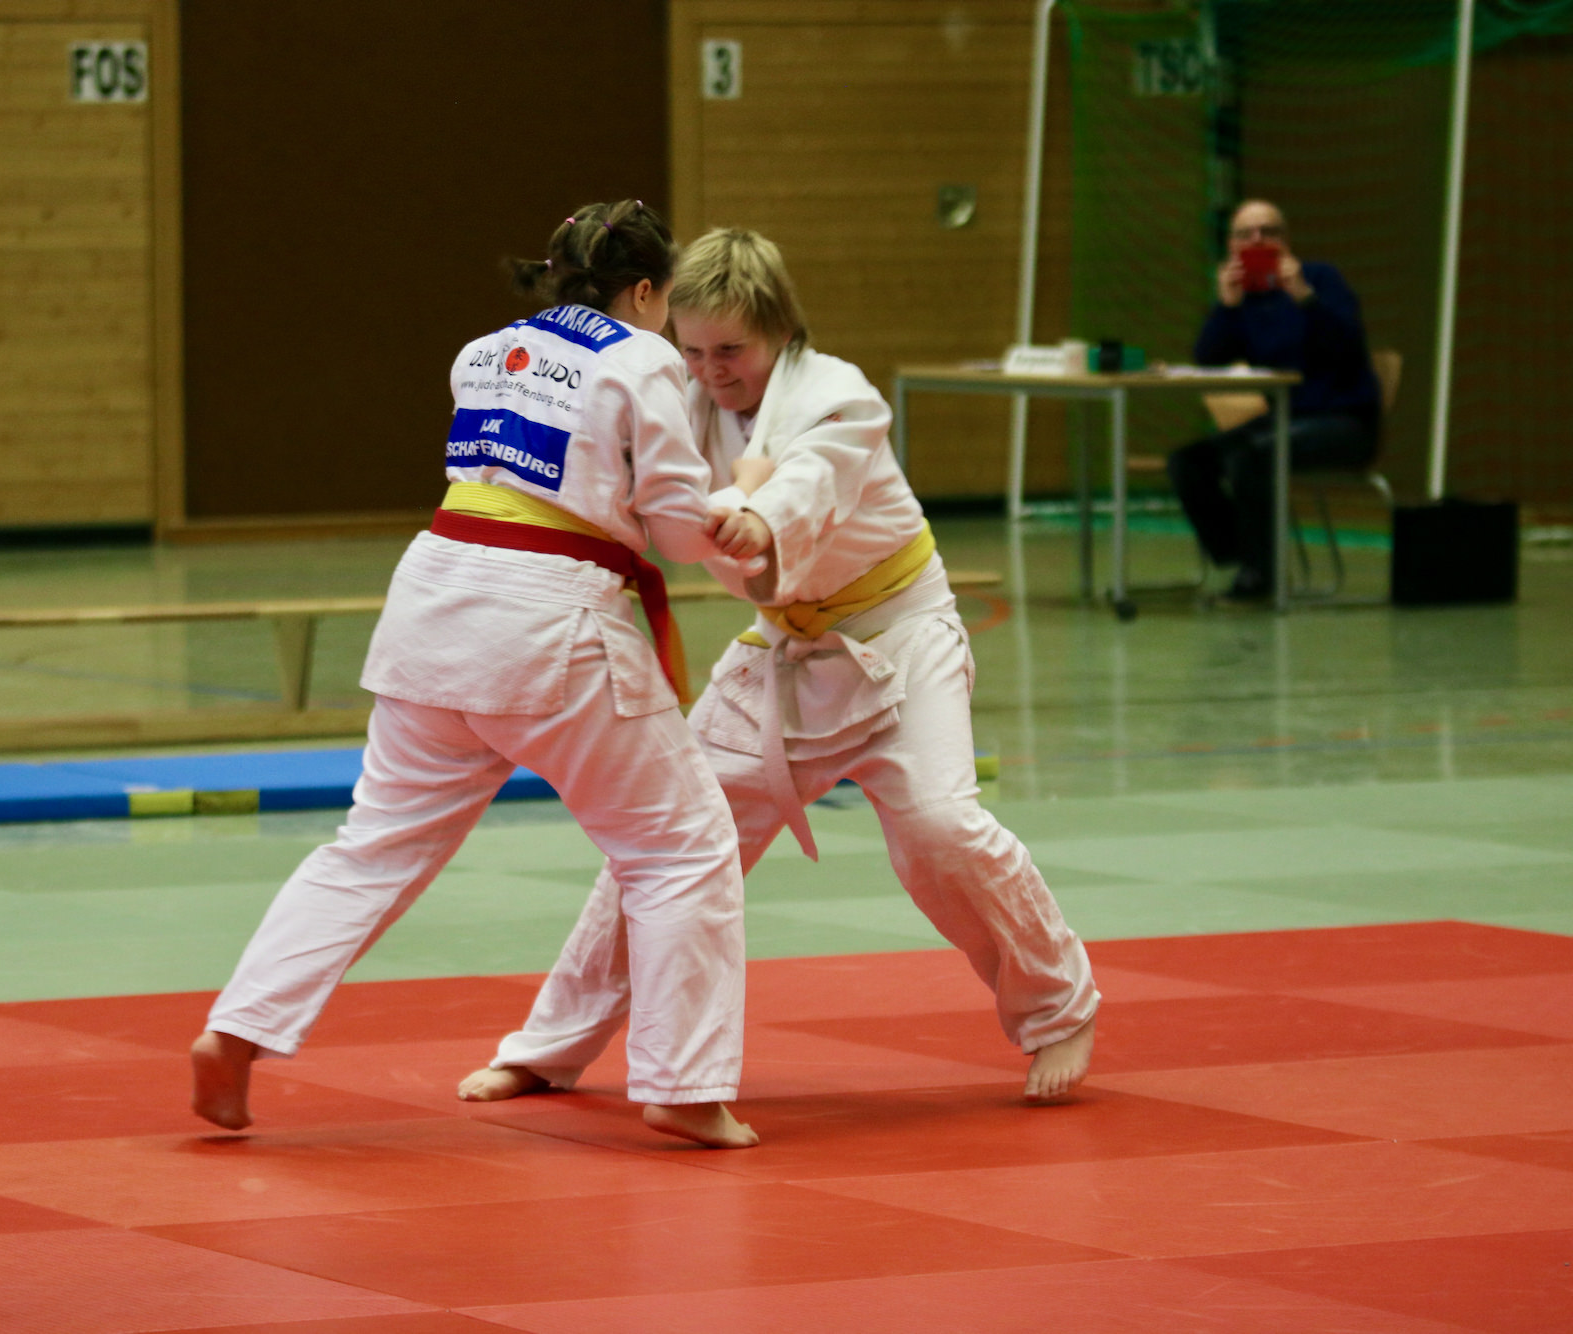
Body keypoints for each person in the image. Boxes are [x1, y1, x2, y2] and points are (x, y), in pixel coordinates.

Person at [458, 228, 1099, 1111]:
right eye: (692, 350)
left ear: (781, 331)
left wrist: (756, 512)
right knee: (667, 841)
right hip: (782, 650)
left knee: (941, 827)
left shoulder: (840, 397)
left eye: (731, 351)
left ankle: (1059, 1006)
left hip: (898, 634)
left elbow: (804, 490)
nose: (710, 371)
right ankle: (550, 1046)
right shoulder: (678, 399)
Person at [190, 200, 760, 1149]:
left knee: (371, 847)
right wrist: (734, 515)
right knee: (681, 848)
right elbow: (670, 529)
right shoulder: (642, 358)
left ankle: (239, 1027)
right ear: (645, 290)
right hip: (548, 620)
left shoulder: (485, 352)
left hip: (434, 606)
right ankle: (686, 1086)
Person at [1168, 199, 1381, 600]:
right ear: (1231, 246)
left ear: (1287, 240)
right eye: (1244, 235)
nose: (1257, 241)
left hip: (1343, 422)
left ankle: (1260, 574)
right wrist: (1226, 307)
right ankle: (1242, 555)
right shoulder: (1244, 300)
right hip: (1284, 419)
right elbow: (1208, 359)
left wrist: (1304, 296)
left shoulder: (1320, 278)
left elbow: (1348, 346)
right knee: (1188, 462)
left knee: (1251, 455)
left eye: (1268, 232)